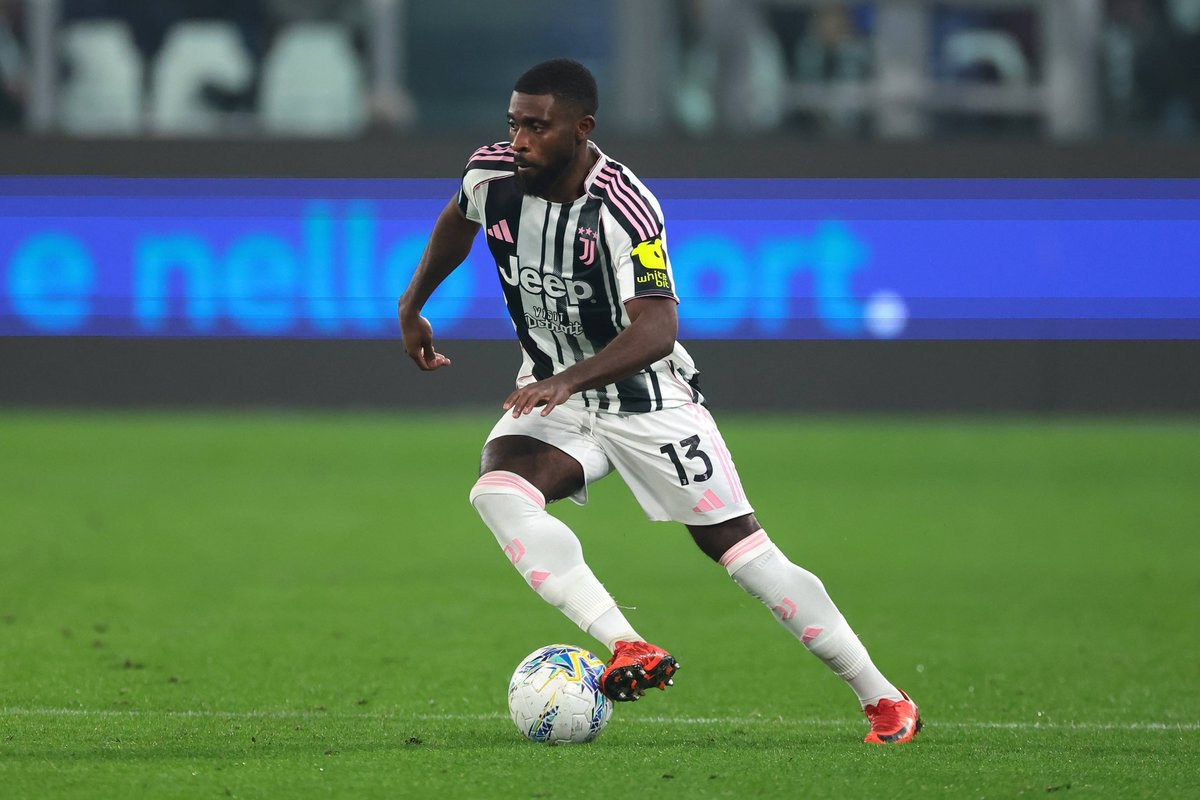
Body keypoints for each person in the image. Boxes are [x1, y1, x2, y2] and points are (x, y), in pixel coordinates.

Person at [398, 58, 920, 743]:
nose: (520, 140)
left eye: (538, 126)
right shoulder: (491, 174)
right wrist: (413, 304)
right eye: (514, 123)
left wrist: (570, 379)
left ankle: (884, 698)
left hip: (649, 403)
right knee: (497, 492)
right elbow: (457, 219)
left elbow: (657, 328)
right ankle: (628, 644)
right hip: (561, 398)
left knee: (746, 556)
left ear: (582, 129)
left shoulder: (625, 206)